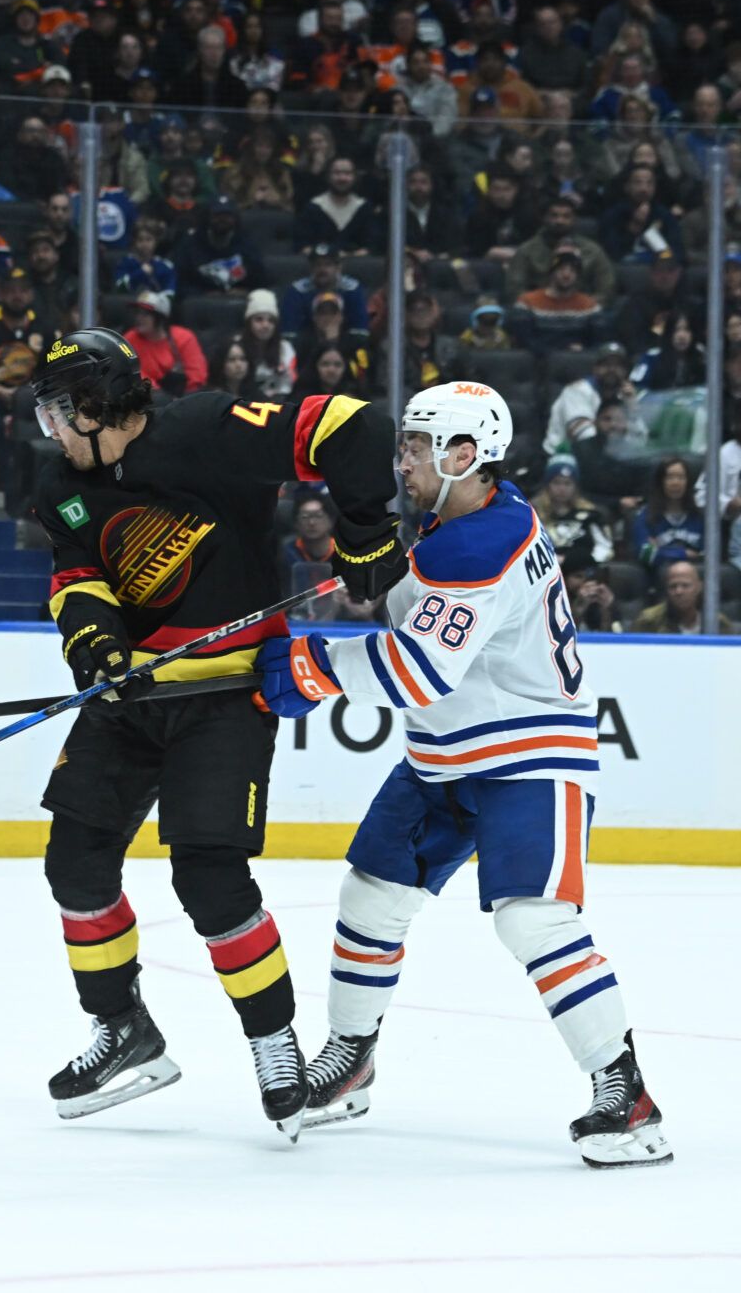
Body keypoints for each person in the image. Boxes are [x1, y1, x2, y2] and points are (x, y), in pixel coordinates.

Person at [256, 382, 674, 1169]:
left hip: (529, 752)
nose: (403, 458)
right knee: (370, 896)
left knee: (534, 921)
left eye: (419, 445)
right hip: (444, 752)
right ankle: (351, 1060)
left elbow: (418, 672)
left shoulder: (481, 544)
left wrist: (312, 666)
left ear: (464, 456)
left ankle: (628, 1094)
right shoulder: (467, 516)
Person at [28, 326, 398, 1136]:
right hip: (129, 704)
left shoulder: (205, 430)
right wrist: (91, 636)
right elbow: (76, 573)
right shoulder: (61, 480)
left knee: (209, 878)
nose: (48, 431)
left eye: (56, 412)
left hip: (226, 698)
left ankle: (275, 1046)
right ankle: (123, 1029)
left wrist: (366, 529)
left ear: (94, 406)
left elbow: (352, 425)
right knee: (75, 864)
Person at [633, 562, 735, 635]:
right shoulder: (648, 621)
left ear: (699, 587)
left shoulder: (718, 623)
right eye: (673, 586)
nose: (679, 592)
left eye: (685, 586)